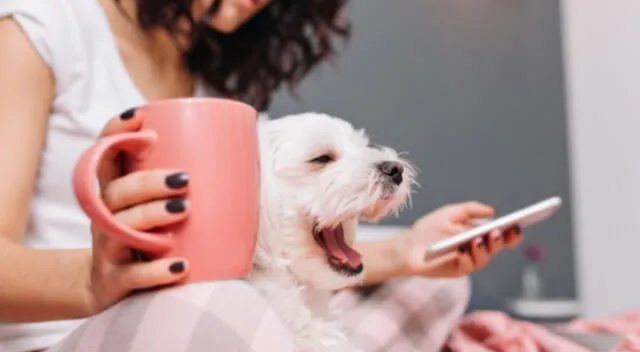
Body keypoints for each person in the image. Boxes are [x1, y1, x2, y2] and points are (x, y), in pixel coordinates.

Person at [0, 0, 523, 351]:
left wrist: (407, 252)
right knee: (214, 301)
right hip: (74, 334)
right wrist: (94, 280)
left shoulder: (213, 92)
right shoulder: (45, 27)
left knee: (431, 289)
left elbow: (264, 250)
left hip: (219, 313)